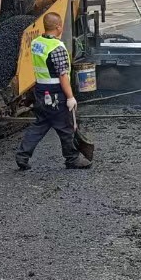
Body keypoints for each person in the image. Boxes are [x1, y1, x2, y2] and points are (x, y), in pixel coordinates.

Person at [16, 12, 92, 170]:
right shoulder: (57, 48)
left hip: (40, 90)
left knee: (40, 124)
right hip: (55, 93)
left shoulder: (37, 43)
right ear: (59, 27)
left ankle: (22, 156)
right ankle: (72, 158)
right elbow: (62, 75)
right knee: (65, 127)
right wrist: (70, 97)